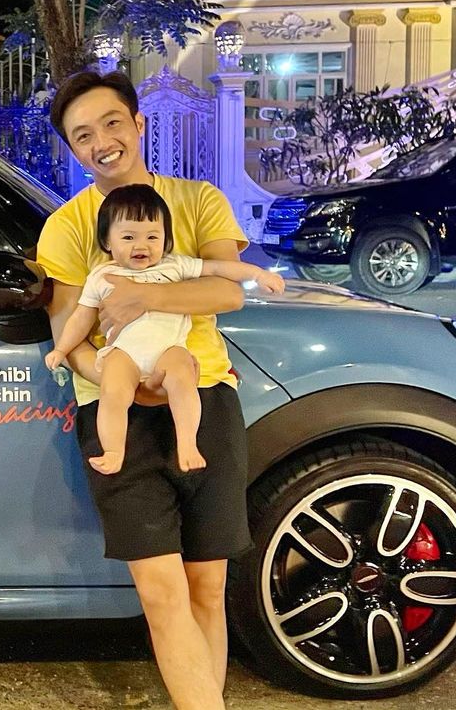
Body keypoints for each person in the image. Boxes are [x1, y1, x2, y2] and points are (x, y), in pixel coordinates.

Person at [37, 70, 254, 710]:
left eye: (111, 123)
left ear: (138, 123)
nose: (101, 142)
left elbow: (227, 292)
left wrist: (145, 297)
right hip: (117, 414)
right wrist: (123, 382)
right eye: (82, 135)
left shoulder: (198, 200)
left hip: (203, 398)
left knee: (207, 587)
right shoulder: (67, 228)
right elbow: (71, 336)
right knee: (161, 593)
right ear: (73, 150)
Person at [45, 184, 284, 475]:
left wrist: (257, 273)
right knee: (112, 390)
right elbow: (81, 317)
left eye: (152, 237)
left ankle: (188, 443)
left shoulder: (175, 266)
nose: (141, 246)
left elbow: (218, 268)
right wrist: (61, 349)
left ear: (166, 240)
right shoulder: (102, 276)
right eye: (128, 237)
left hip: (169, 350)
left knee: (183, 377)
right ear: (107, 241)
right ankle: (113, 451)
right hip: (124, 353)